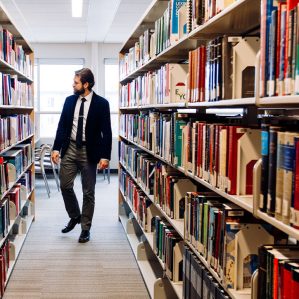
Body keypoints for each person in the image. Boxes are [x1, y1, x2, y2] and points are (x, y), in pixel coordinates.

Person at [51, 68, 112, 243]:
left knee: (88, 192)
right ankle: (75, 215)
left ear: (86, 84)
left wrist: (105, 156)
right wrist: (56, 148)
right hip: (69, 148)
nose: (73, 84)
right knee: (65, 185)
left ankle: (85, 228)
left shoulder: (102, 104)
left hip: (89, 151)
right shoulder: (69, 101)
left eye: (76, 82)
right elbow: (62, 125)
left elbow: (106, 132)